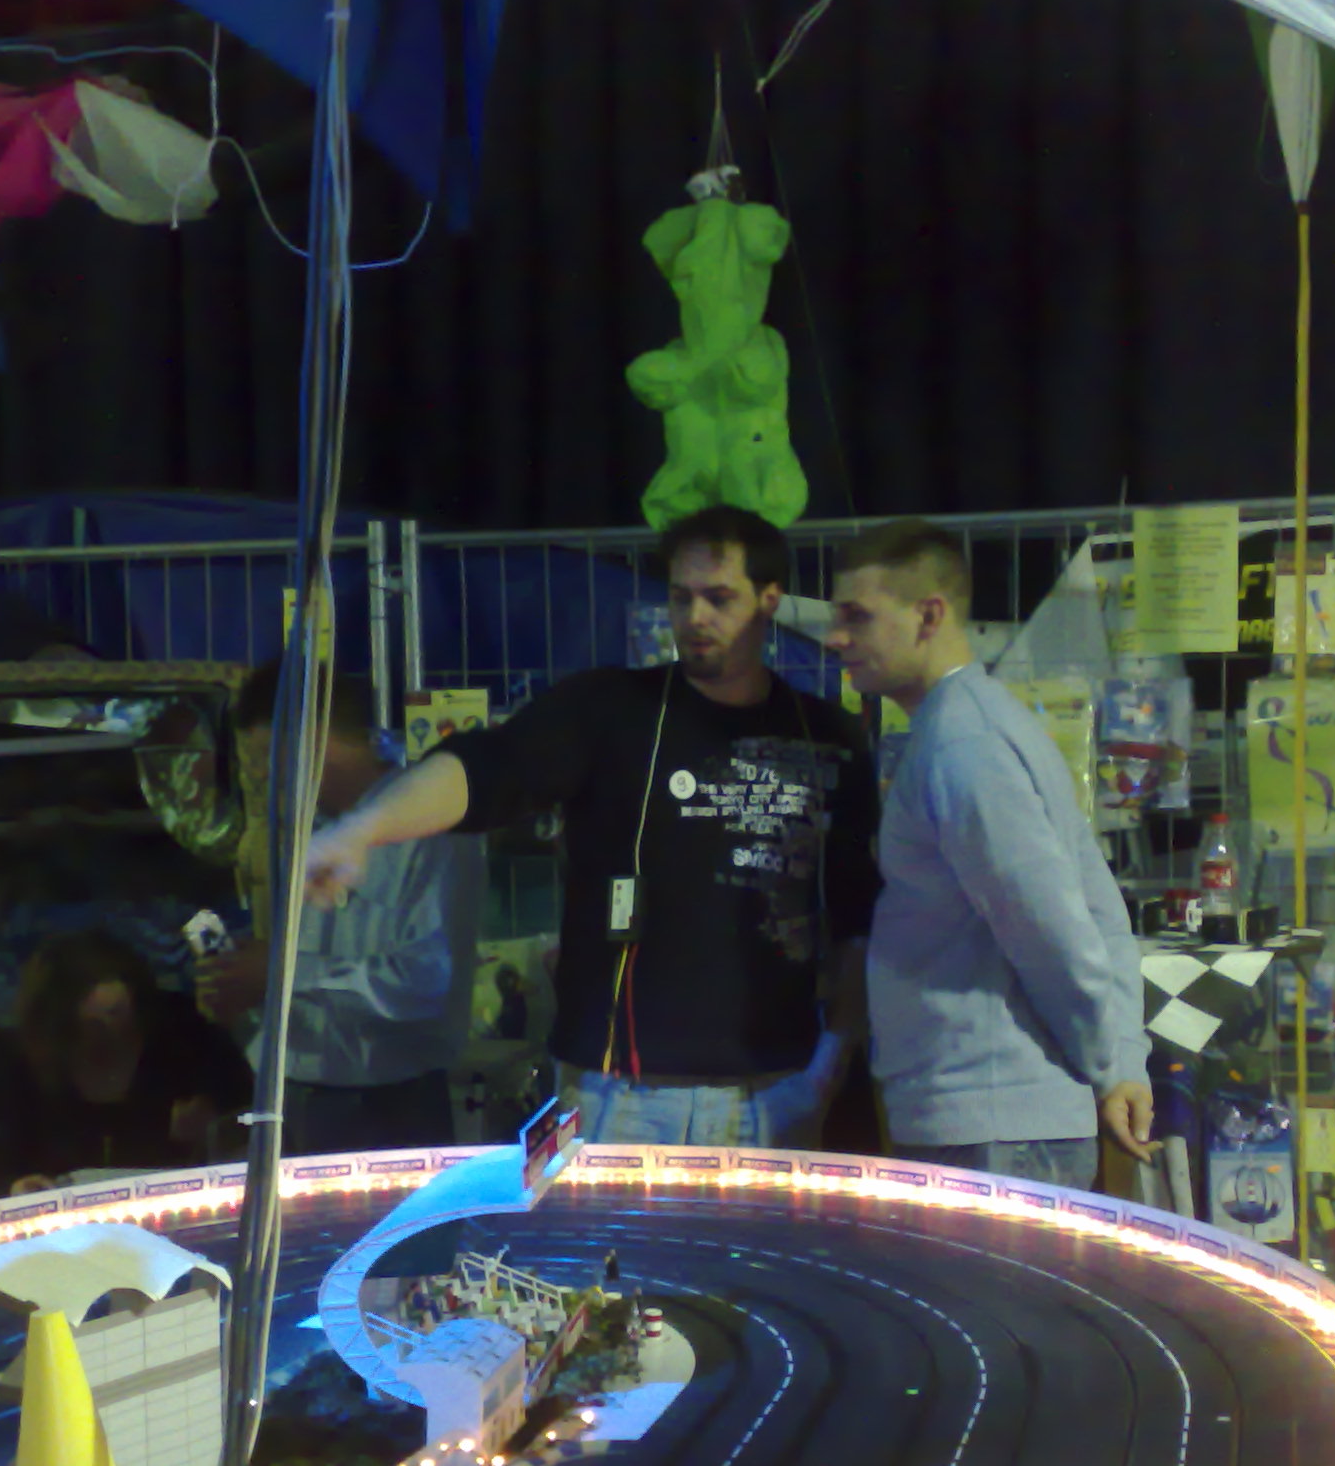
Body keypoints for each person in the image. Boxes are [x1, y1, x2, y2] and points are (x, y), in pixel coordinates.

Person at [302, 507, 878, 1148]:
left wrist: (829, 1064)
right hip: (621, 1095)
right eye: (681, 597)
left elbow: (858, 917)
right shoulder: (611, 710)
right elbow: (486, 768)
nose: (695, 617)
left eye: (719, 599)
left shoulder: (826, 736)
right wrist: (364, 827)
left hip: (774, 1091)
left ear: (769, 601)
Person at [824, 519, 1151, 1189]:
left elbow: (1053, 931)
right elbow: (1097, 909)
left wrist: (1110, 1063)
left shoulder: (963, 745)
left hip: (991, 1126)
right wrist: (1117, 1060)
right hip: (994, 1119)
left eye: (857, 616)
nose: (835, 637)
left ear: (929, 615)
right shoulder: (978, 724)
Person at [194, 663, 483, 1156]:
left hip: (387, 1110)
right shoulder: (307, 832)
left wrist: (281, 973)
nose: (260, 778)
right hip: (295, 1095)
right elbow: (307, 977)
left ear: (312, 744)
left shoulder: (430, 830)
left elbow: (423, 983)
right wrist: (245, 983)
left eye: (264, 758)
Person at [3, 929, 253, 1189]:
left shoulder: (189, 1038)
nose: (109, 1040)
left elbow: (250, 1127)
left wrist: (213, 1132)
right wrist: (23, 1186)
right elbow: (8, 1169)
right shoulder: (28, 1073)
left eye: (119, 1017)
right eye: (93, 1027)